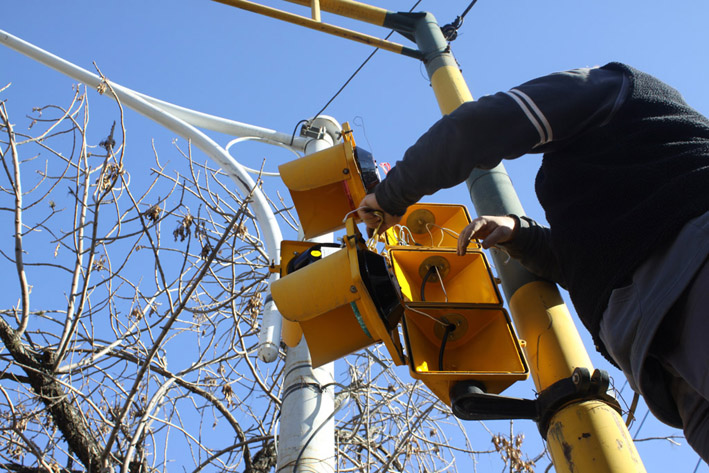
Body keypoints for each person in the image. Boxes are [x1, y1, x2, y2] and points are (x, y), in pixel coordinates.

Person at [357, 62, 709, 462]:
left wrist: (389, 198)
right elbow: (594, 261)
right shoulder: (599, 182)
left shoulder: (619, 88)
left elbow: (478, 128)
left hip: (692, 269)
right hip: (661, 362)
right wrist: (520, 234)